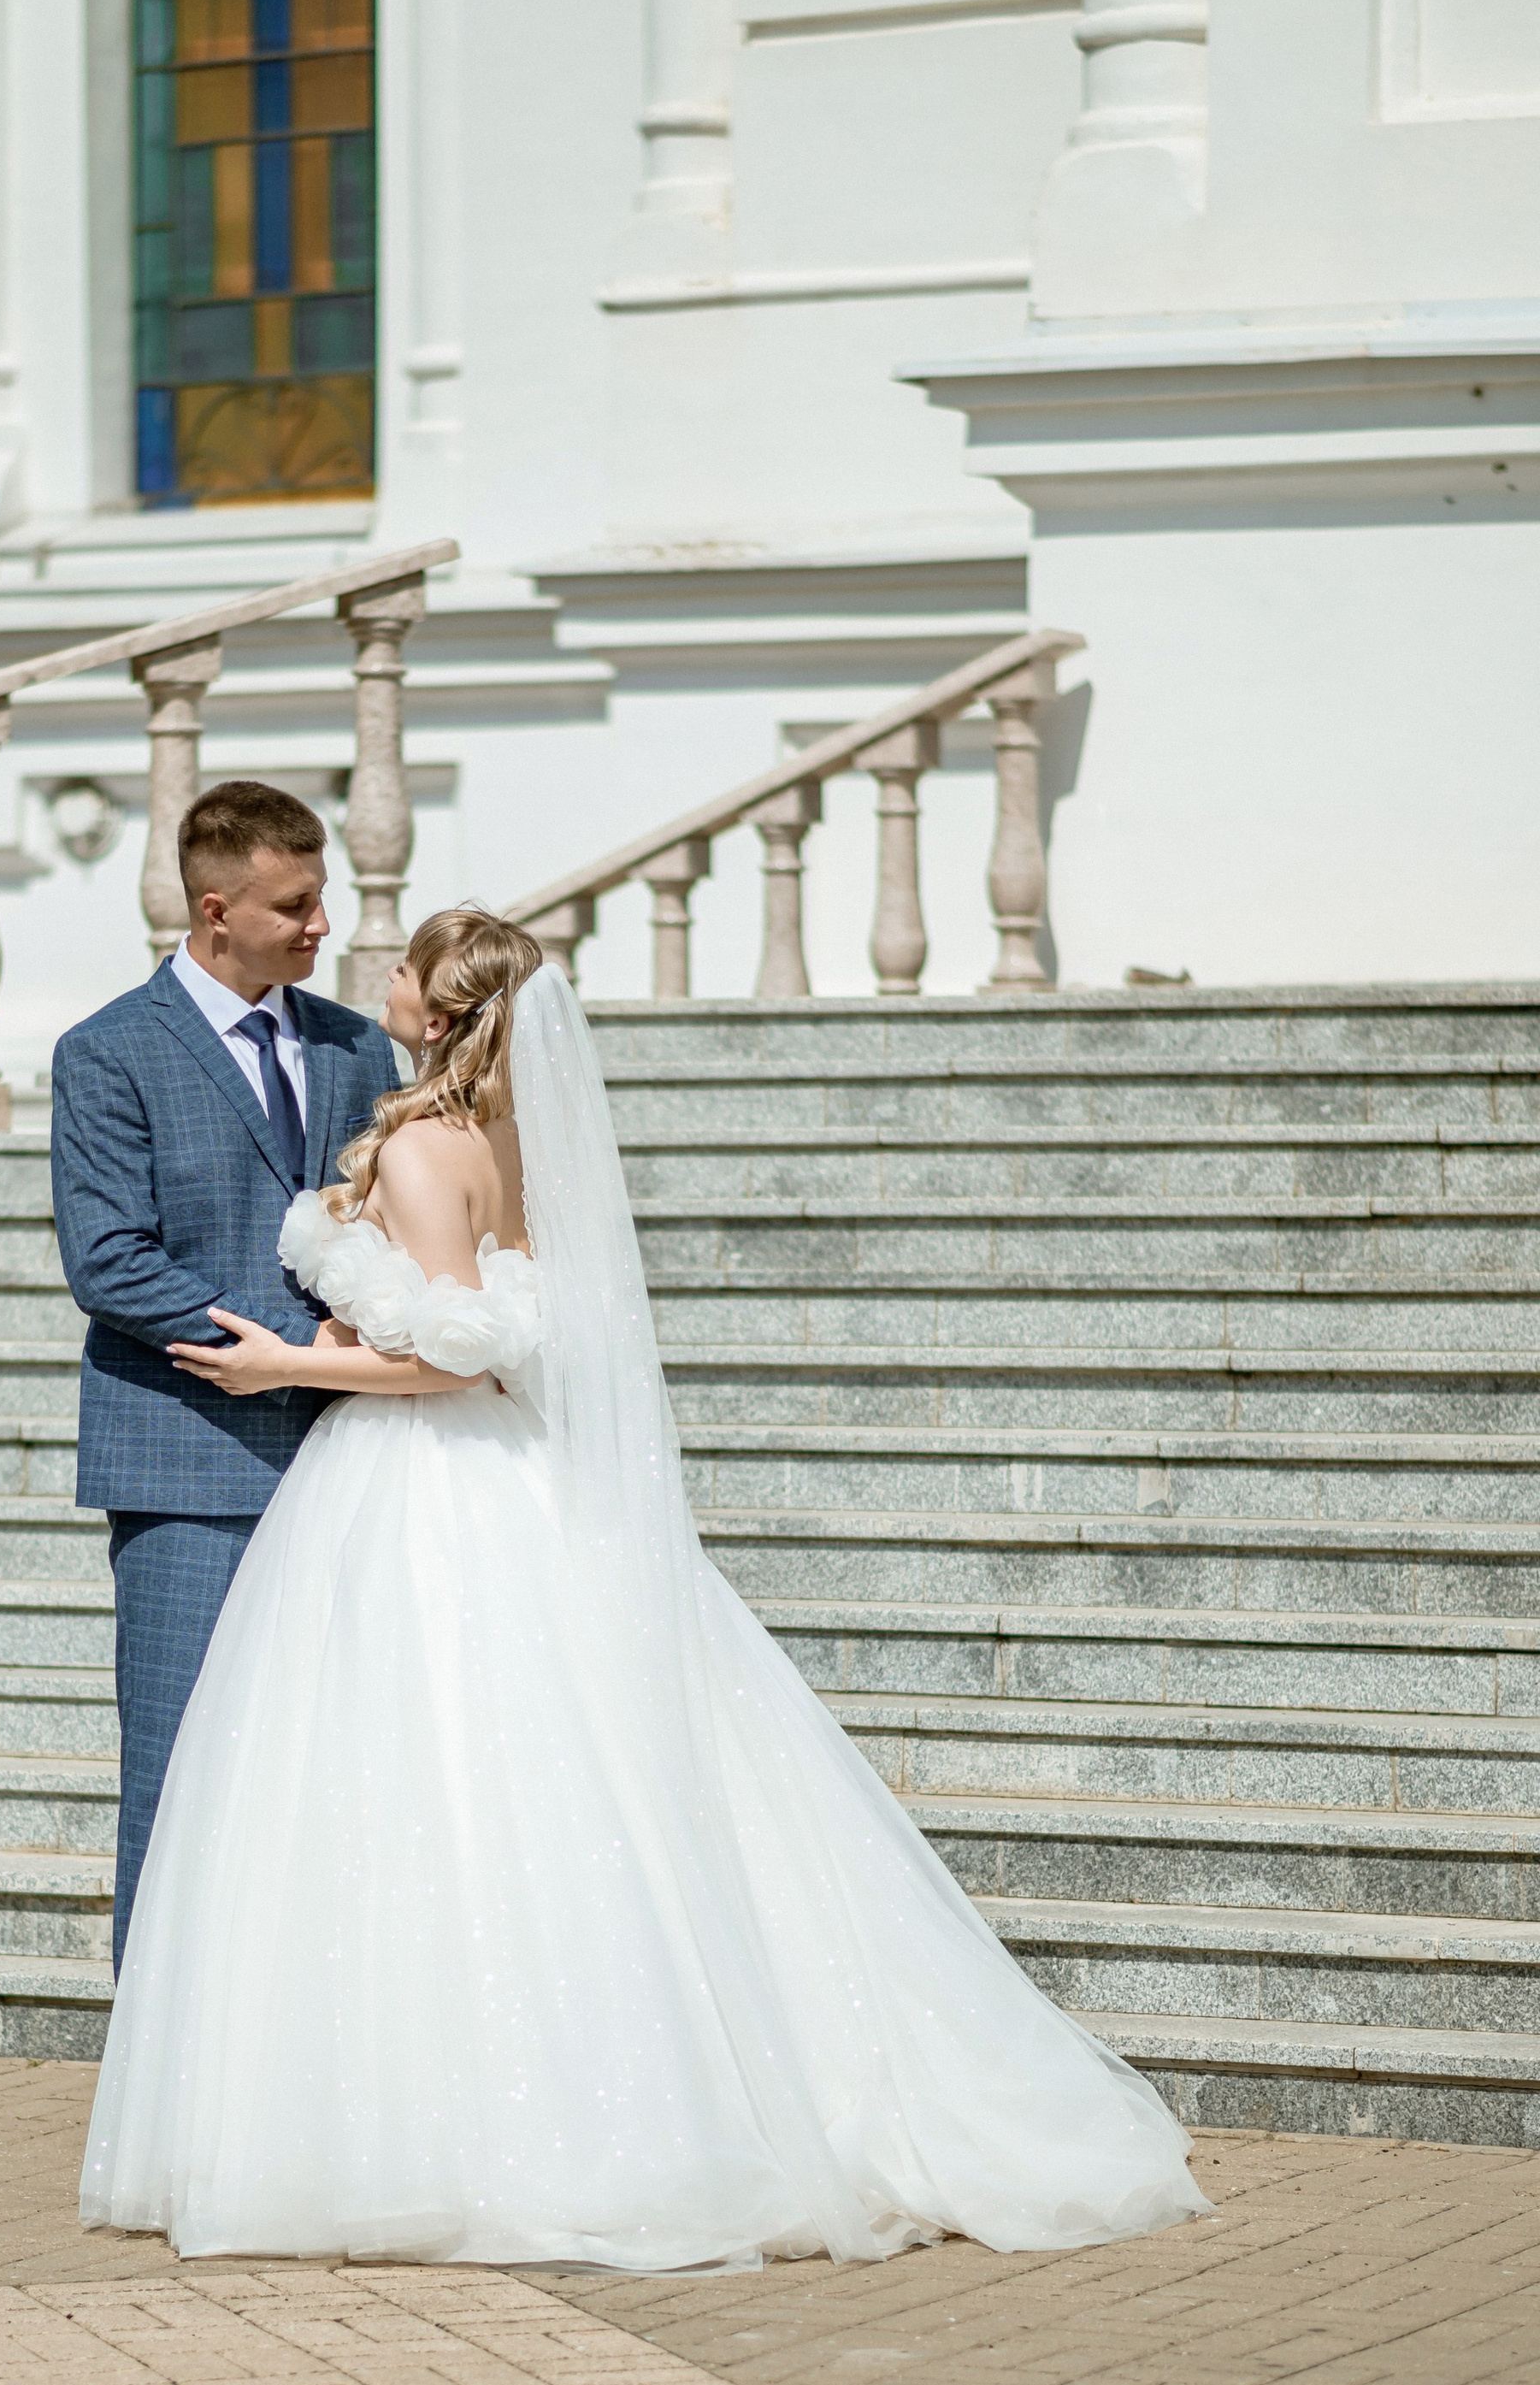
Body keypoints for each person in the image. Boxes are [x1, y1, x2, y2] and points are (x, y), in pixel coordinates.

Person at [80, 906, 1208, 2270]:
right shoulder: (508, 1135)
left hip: (425, 1476)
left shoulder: (429, 1148)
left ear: (441, 1008)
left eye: (406, 968)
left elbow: (454, 1356)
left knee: (434, 1781)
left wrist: (286, 1363)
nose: (380, 974)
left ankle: (461, 2126)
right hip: (491, 1471)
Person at [50, 779, 402, 1977]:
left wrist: (358, 1349)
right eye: (294, 906)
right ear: (215, 911)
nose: (321, 926)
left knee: (331, 1768)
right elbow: (109, 1259)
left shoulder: (356, 1046)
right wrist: (288, 1344)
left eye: (321, 898)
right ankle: (158, 2049)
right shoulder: (107, 1052)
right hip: (187, 1468)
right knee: (181, 1767)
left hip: (354, 1459)